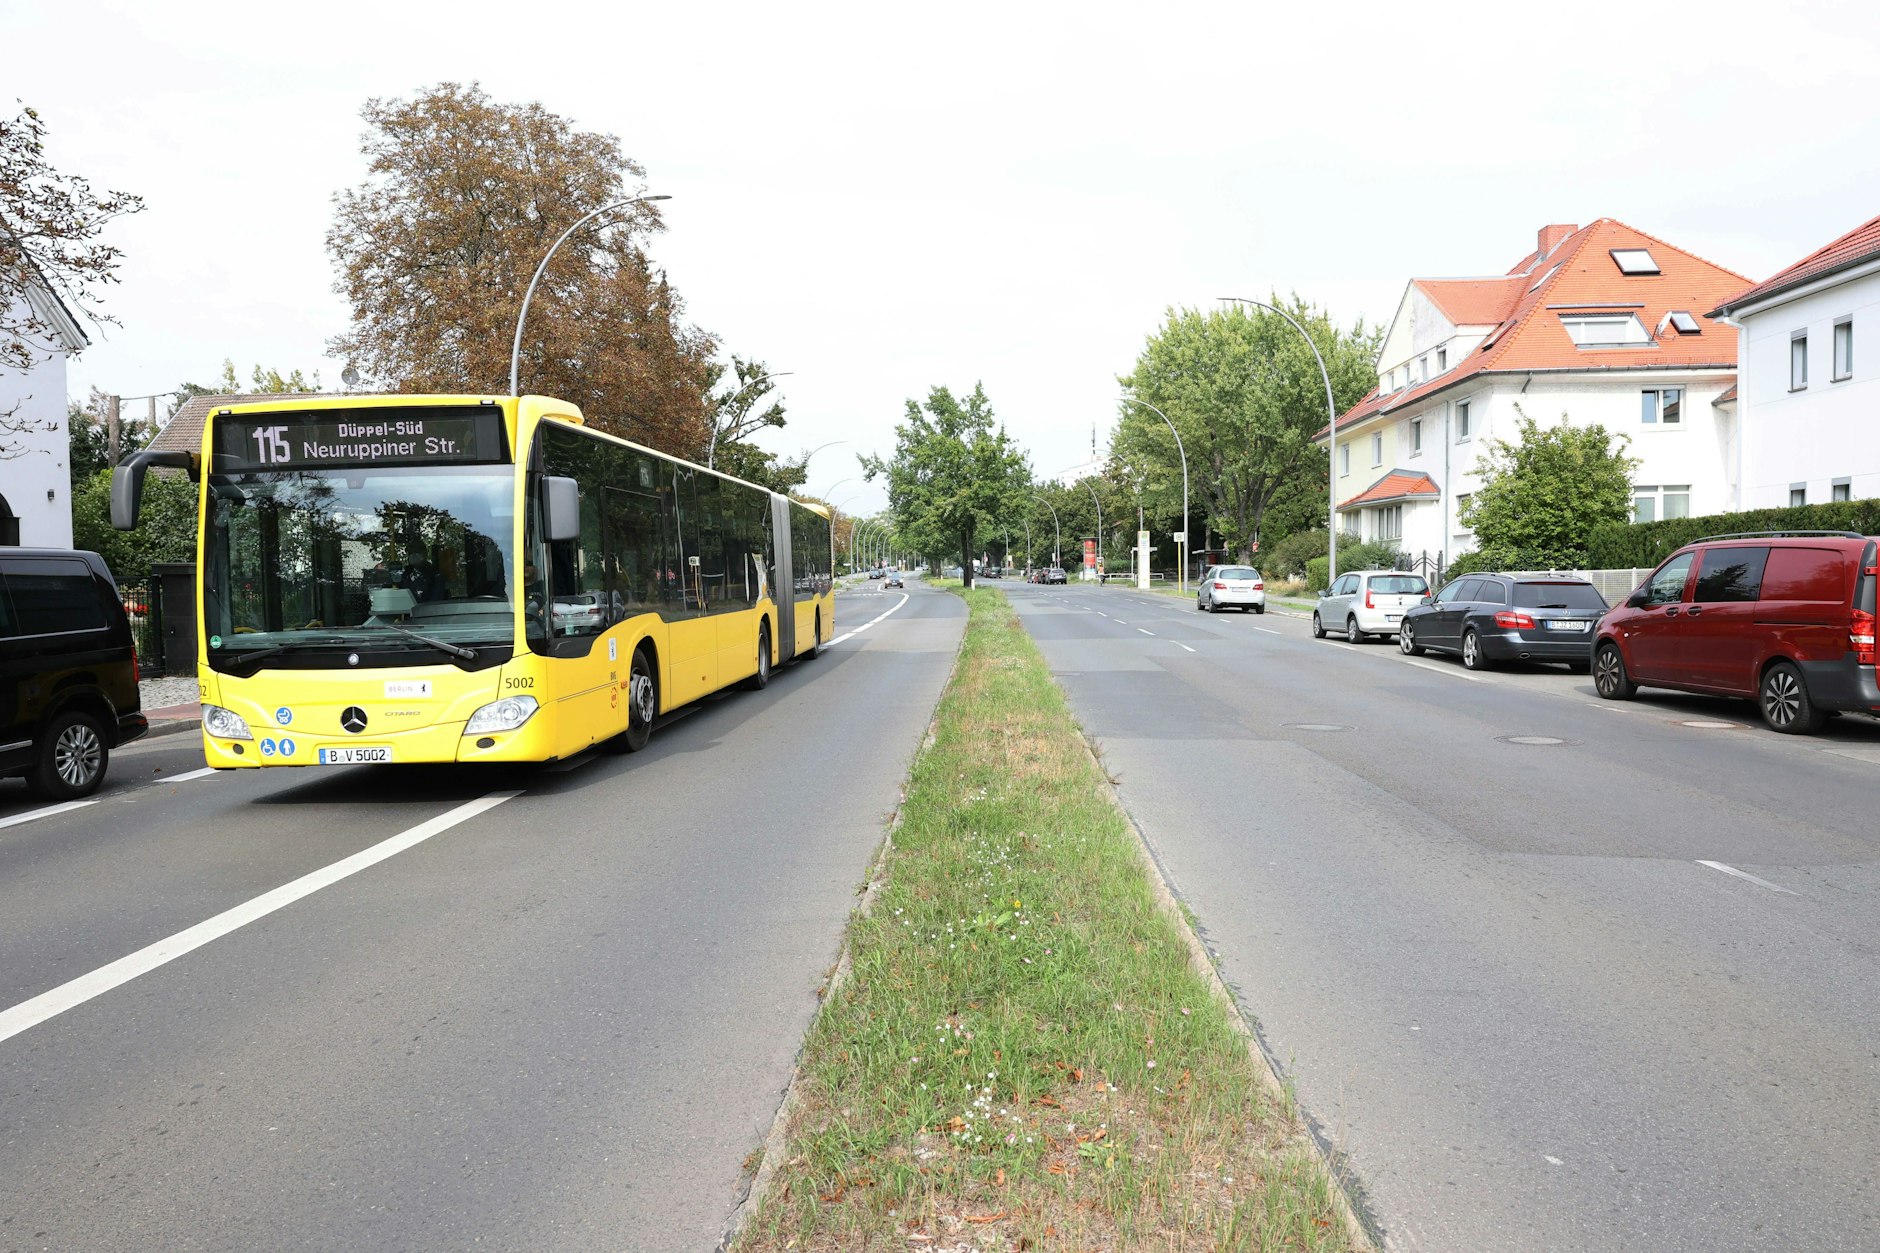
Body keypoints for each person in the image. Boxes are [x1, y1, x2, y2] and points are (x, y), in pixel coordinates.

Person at [394, 539, 445, 603]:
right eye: (410, 553)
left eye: (416, 552)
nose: (413, 555)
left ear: (425, 553)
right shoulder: (405, 575)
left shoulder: (435, 575)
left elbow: (435, 601)